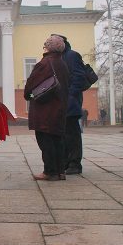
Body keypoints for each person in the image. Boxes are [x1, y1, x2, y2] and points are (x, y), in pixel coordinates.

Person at [24, 35, 69, 181]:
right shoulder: (62, 63)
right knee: (58, 140)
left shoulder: (45, 63)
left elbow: (31, 84)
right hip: (59, 108)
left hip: (45, 110)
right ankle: (60, 171)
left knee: (45, 139)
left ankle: (49, 171)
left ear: (48, 47)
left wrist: (28, 94)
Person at [52, 34, 87, 175]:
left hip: (71, 103)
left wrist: (70, 95)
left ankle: (75, 163)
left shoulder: (72, 56)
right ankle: (66, 162)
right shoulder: (59, 57)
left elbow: (79, 76)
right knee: (64, 134)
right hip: (61, 102)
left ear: (61, 44)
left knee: (72, 134)